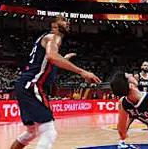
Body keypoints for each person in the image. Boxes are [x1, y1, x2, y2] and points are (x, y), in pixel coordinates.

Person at [10, 15, 101, 149]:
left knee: (32, 132)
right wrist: (82, 71)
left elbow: (45, 62)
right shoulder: (54, 36)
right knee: (49, 132)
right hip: (32, 85)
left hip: (25, 84)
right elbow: (51, 56)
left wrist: (62, 59)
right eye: (63, 20)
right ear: (54, 25)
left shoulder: (46, 38)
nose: (67, 22)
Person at [134, 61, 148, 145]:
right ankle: (122, 140)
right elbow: (134, 88)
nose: (147, 67)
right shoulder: (137, 76)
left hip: (147, 100)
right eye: (145, 65)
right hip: (138, 100)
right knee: (130, 119)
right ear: (141, 66)